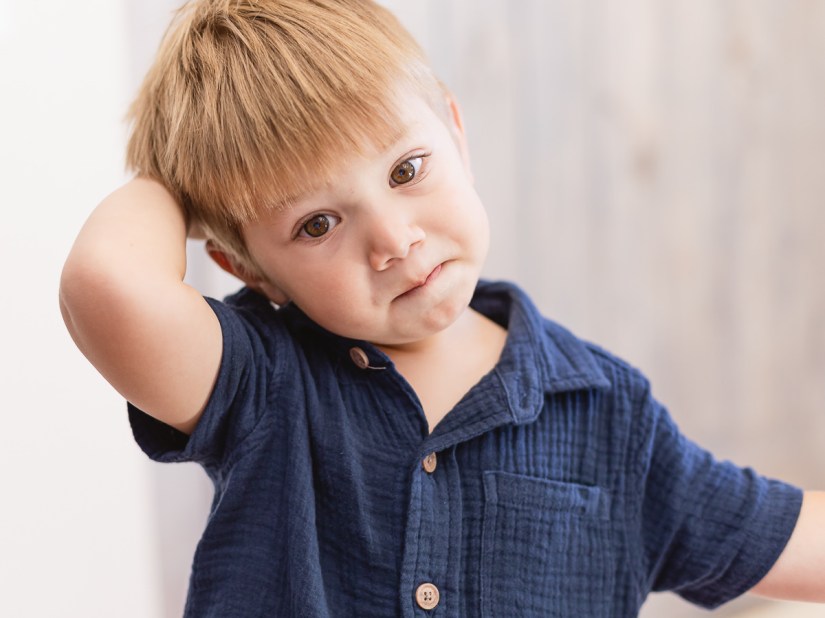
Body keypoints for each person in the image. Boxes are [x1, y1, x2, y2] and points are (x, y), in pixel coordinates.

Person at [59, 0, 824, 616]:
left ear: (454, 132)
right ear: (249, 269)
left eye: (406, 168)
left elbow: (791, 541)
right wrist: (178, 177)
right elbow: (108, 287)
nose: (392, 239)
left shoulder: (607, 411)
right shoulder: (259, 378)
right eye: (316, 224)